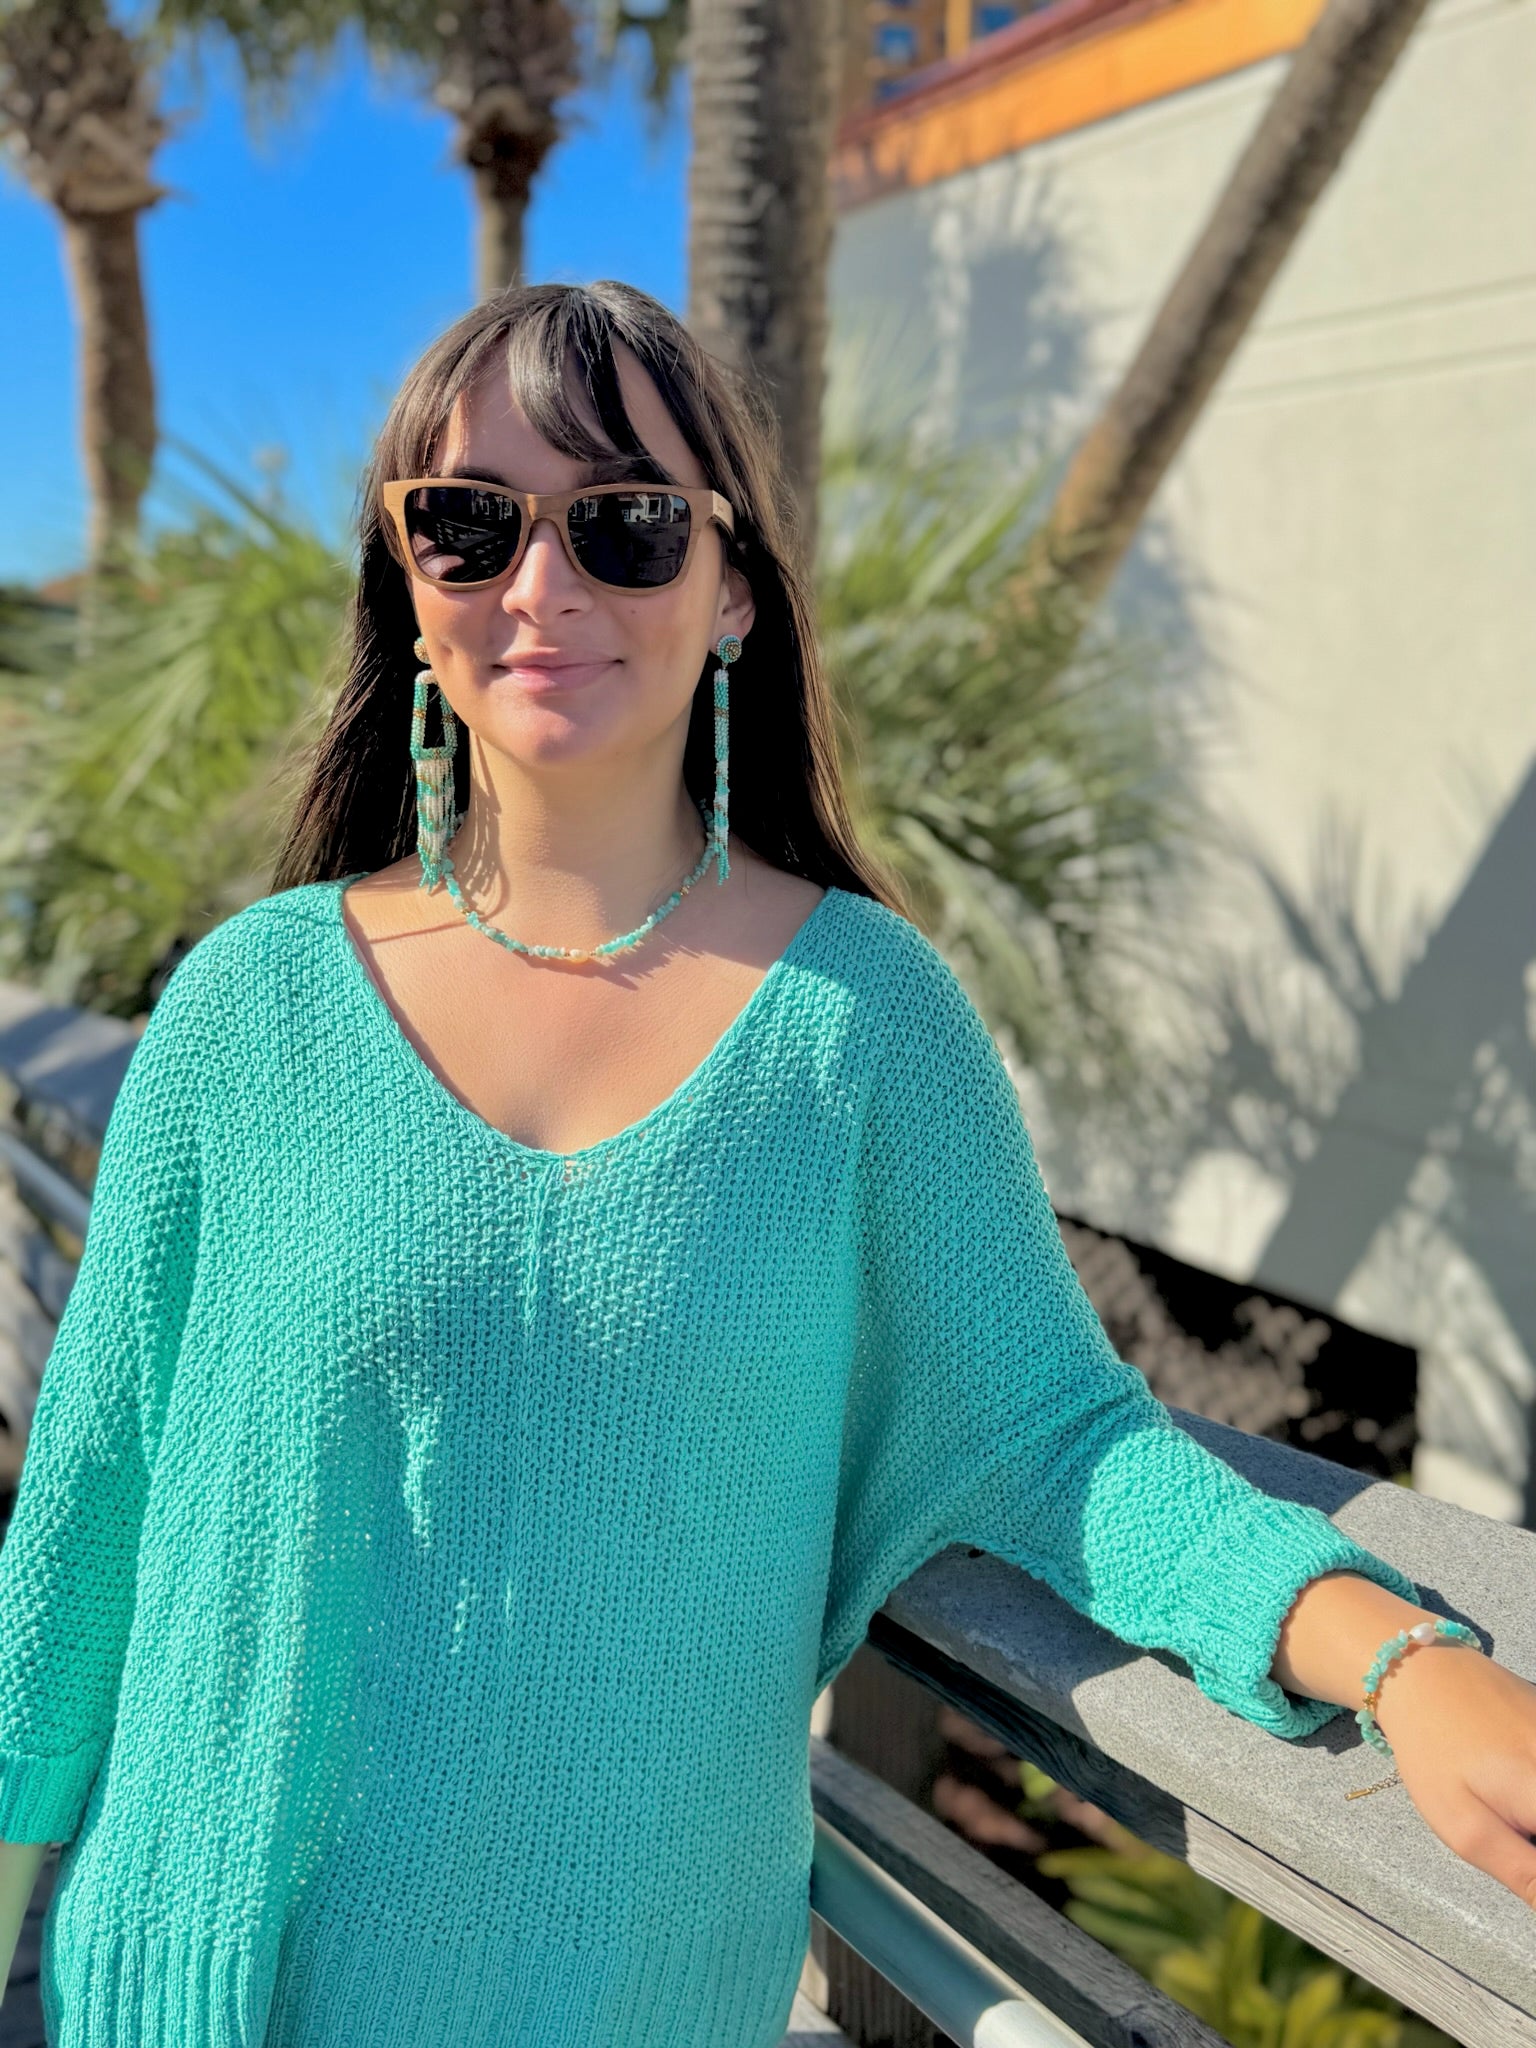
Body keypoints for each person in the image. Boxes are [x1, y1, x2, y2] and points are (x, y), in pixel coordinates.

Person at [0, 279, 1531, 2048]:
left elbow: (1058, 1435)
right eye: (468, 524)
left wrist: (1405, 1658)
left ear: (732, 591)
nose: (540, 586)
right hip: (204, 1984)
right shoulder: (248, 1010)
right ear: (407, 595)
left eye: (626, 524)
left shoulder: (863, 1027)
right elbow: (88, 1506)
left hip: (642, 1997)